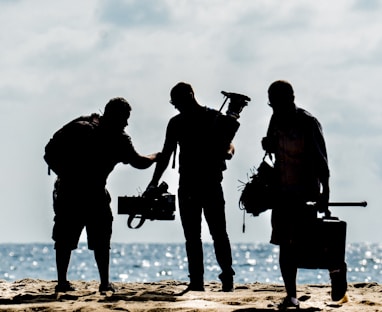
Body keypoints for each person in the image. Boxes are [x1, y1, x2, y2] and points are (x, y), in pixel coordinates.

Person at [47, 97, 158, 293]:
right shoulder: (118, 139)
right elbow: (139, 162)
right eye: (125, 118)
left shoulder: (80, 126)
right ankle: (104, 283)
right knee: (98, 240)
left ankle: (63, 282)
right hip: (92, 194)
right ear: (115, 116)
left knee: (66, 239)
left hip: (69, 191)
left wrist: (64, 175)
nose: (126, 123)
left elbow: (48, 152)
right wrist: (157, 156)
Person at [146, 82, 244, 292]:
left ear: (190, 96)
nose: (178, 107)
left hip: (203, 184)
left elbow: (228, 145)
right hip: (194, 184)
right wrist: (153, 182)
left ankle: (224, 276)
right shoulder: (186, 122)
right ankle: (200, 280)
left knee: (214, 233)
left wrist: (229, 151)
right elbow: (166, 154)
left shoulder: (209, 119)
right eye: (175, 104)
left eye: (179, 102)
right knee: (199, 235)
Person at [261, 80, 347, 309]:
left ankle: (337, 272)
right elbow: (271, 149)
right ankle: (291, 295)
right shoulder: (275, 120)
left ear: (291, 99)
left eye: (279, 103)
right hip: (281, 192)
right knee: (285, 244)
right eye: (273, 105)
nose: (276, 109)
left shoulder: (308, 122)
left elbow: (322, 160)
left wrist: (325, 191)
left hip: (305, 192)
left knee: (312, 243)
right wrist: (267, 144)